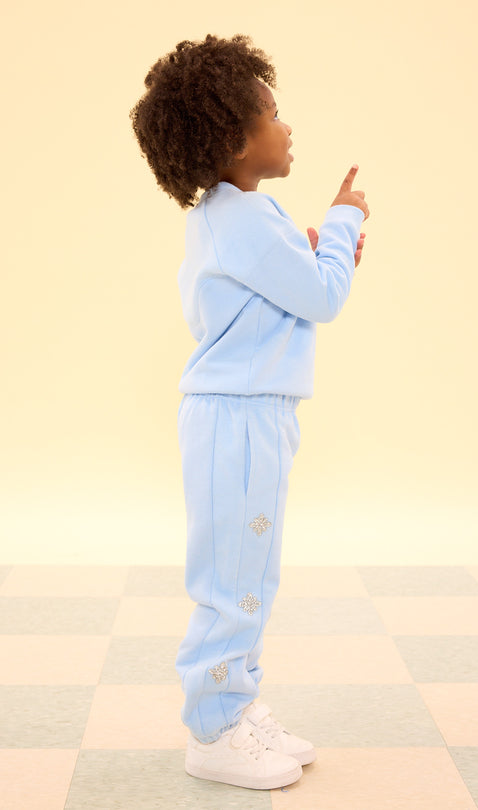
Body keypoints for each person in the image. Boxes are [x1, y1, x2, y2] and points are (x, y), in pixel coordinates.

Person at [129, 32, 369, 791]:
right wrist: (342, 224)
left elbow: (250, 302)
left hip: (240, 416)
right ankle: (214, 730)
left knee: (246, 573)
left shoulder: (218, 219)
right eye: (272, 112)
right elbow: (324, 298)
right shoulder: (247, 220)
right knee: (236, 577)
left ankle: (236, 702)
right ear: (234, 136)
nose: (286, 125)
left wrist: (304, 256)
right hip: (240, 420)